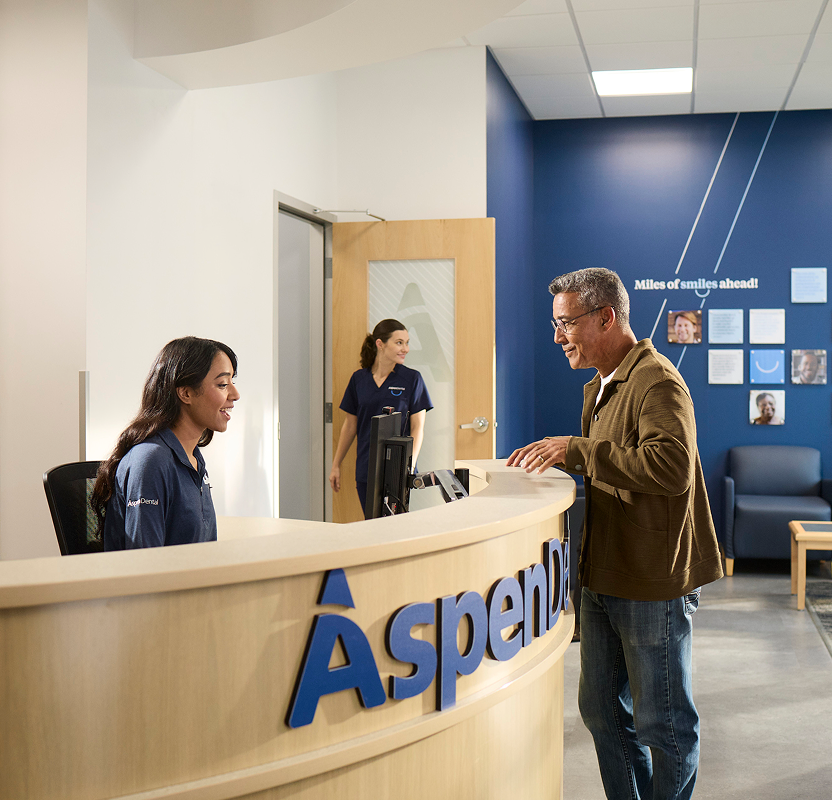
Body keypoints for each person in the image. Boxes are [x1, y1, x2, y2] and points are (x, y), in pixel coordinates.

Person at [507, 268, 723, 800]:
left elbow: (671, 468)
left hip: (652, 579)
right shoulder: (602, 385)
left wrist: (574, 451)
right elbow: (617, 466)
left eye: (566, 324)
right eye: (555, 324)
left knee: (663, 724)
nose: (558, 337)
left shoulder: (658, 380)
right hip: (603, 575)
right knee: (602, 714)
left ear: (605, 317)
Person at [91, 337, 240, 550]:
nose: (235, 394)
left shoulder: (193, 457)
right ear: (186, 393)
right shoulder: (150, 461)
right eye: (223, 384)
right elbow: (146, 565)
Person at [330, 318, 432, 513]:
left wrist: (409, 466)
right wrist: (336, 464)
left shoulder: (412, 379)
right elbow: (350, 425)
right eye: (399, 342)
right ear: (380, 344)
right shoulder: (358, 379)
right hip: (366, 468)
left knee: (395, 528)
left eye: (407, 342)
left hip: (397, 469)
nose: (406, 349)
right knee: (372, 526)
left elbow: (417, 427)